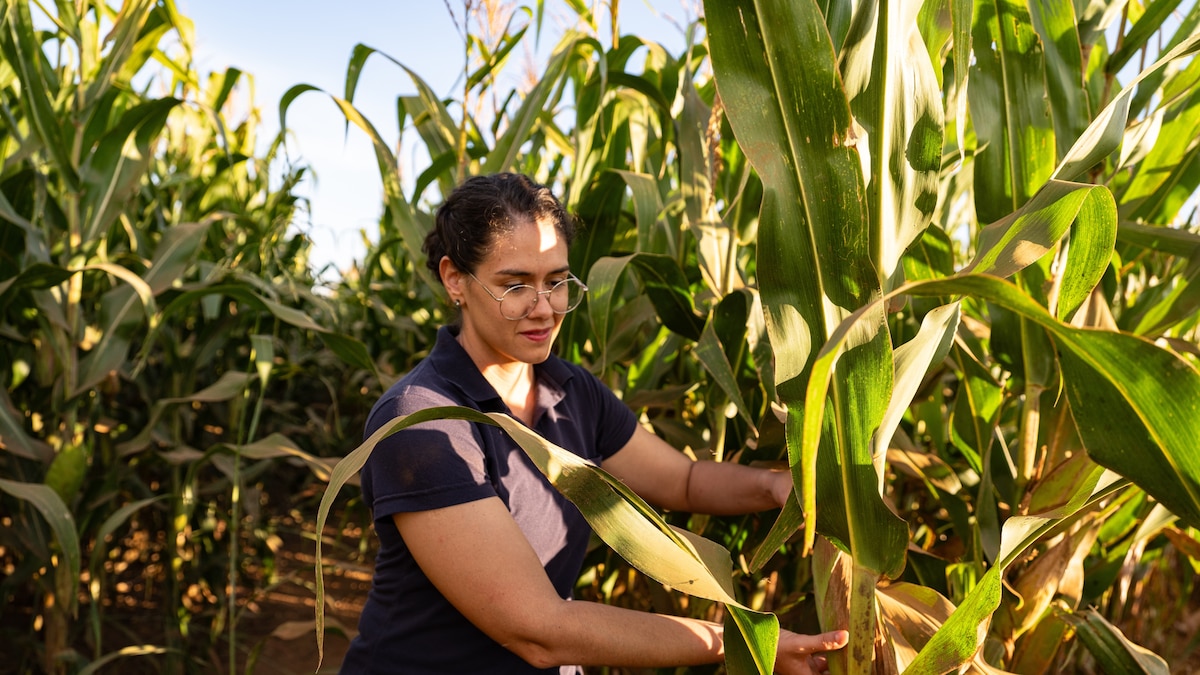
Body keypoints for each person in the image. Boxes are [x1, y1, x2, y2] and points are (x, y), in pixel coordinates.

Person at [339, 173, 848, 674]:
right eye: (514, 285)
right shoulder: (424, 421)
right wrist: (745, 642)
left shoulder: (571, 391)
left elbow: (684, 482)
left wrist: (780, 486)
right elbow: (539, 629)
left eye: (557, 281)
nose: (544, 309)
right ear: (456, 280)